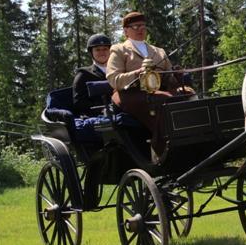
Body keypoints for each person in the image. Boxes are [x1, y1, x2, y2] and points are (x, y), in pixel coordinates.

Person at [106, 12, 186, 160]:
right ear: (126, 31)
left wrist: (176, 74)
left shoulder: (158, 51)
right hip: (128, 94)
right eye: (135, 26)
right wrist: (138, 73)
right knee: (166, 100)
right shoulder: (119, 50)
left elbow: (169, 80)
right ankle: (162, 149)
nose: (140, 29)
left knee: (187, 95)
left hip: (157, 92)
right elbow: (113, 79)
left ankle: (191, 142)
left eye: (142, 26)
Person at [73, 33, 112, 117]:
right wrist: (102, 109)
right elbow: (79, 102)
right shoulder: (83, 74)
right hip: (99, 119)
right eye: (97, 50)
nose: (102, 52)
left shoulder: (118, 71)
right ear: (91, 52)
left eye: (105, 49)